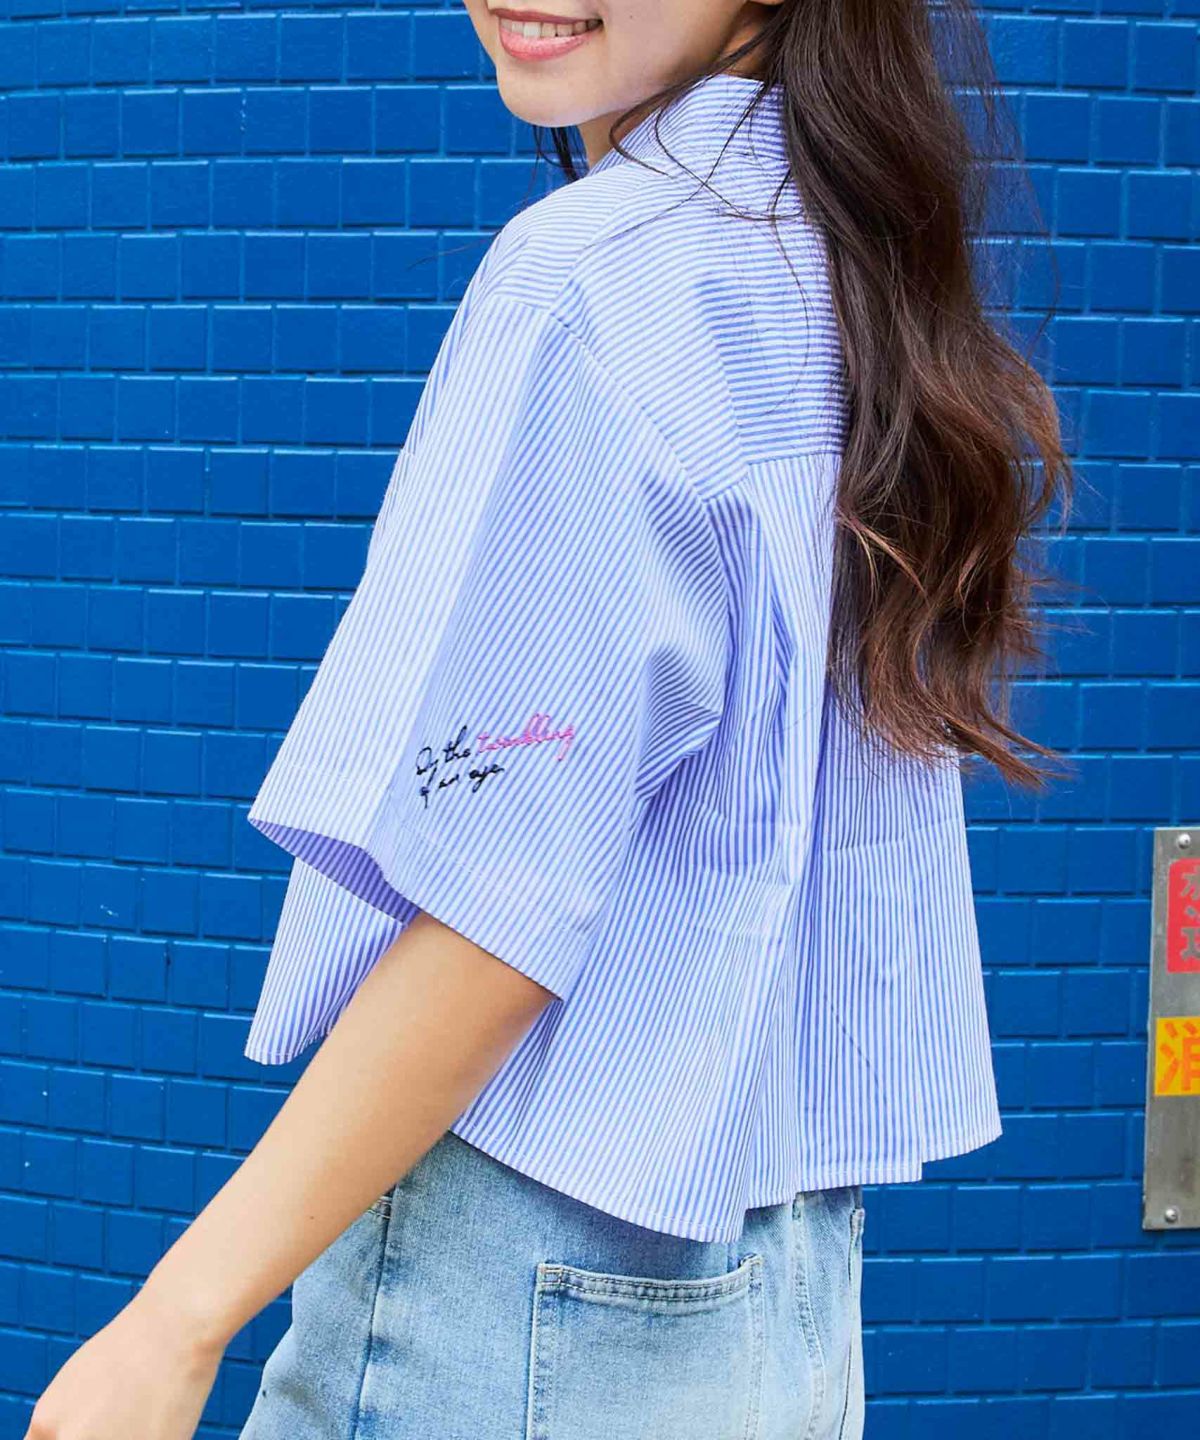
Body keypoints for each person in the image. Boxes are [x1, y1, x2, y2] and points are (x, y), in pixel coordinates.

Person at [23, 3, 1071, 1439]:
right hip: (773, 1304)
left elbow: (498, 907)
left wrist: (175, 1321)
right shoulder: (841, 253)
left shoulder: (593, 277)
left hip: (515, 1300)